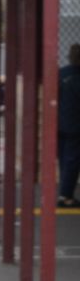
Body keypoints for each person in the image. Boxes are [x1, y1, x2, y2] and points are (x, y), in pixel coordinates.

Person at [59, 45, 80, 206]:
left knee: (64, 159)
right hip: (76, 124)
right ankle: (65, 196)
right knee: (72, 160)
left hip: (59, 123)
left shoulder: (61, 73)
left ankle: (64, 192)